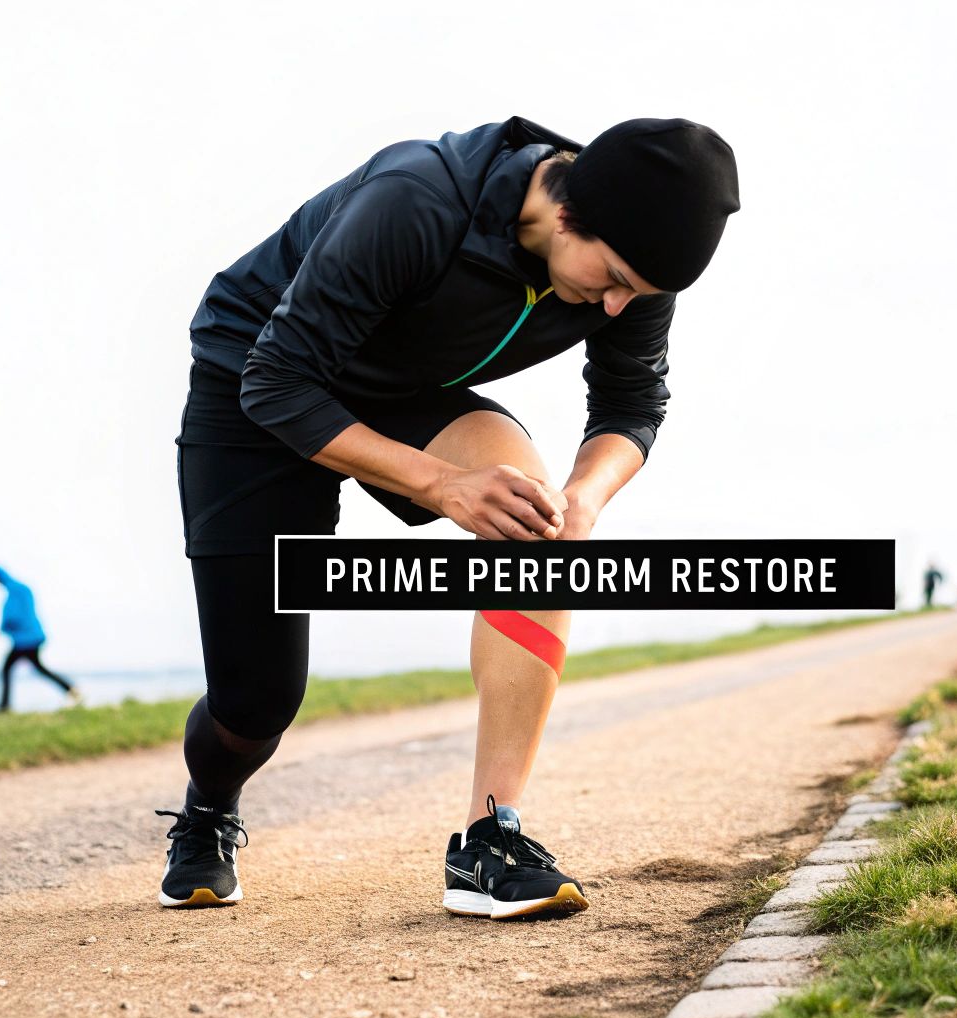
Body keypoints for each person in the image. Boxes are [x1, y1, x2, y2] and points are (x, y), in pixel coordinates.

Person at [163, 117, 739, 920]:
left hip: (403, 390)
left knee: (537, 526)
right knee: (255, 703)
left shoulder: (634, 264)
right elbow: (277, 380)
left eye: (635, 294)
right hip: (257, 382)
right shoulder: (418, 201)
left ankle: (489, 839)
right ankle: (207, 808)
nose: (615, 304)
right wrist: (441, 486)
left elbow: (633, 403)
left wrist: (583, 497)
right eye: (611, 278)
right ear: (569, 212)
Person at [0, 566, 80, 711]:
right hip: (31, 637)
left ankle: (4, 707)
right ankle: (71, 690)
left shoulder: (15, 593)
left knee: (8, 669)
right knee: (38, 668)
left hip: (26, 640)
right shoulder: (22, 589)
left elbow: (13, 618)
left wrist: (0, 629)